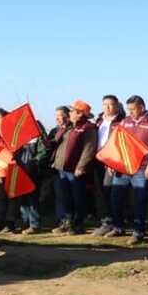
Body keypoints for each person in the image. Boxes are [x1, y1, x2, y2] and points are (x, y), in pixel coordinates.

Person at [99, 95, 148, 243]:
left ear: (142, 107)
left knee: (139, 200)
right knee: (116, 198)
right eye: (128, 109)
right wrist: (112, 162)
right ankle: (118, 227)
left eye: (133, 109)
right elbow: (116, 142)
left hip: (142, 168)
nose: (130, 112)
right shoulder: (125, 121)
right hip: (123, 168)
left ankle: (138, 231)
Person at [50, 100, 97, 234]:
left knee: (78, 197)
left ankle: (78, 225)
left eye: (72, 111)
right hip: (61, 167)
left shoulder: (88, 128)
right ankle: (67, 222)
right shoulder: (68, 126)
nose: (69, 113)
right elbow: (60, 144)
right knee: (65, 197)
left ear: (80, 114)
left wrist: (81, 166)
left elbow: (89, 148)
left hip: (75, 168)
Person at [90, 95, 124, 234]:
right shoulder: (98, 121)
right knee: (102, 192)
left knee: (112, 192)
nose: (107, 107)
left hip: (113, 161)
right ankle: (107, 223)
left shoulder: (121, 121)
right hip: (98, 160)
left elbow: (122, 144)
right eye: (105, 104)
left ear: (116, 105)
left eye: (110, 104)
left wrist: (114, 160)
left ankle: (117, 224)